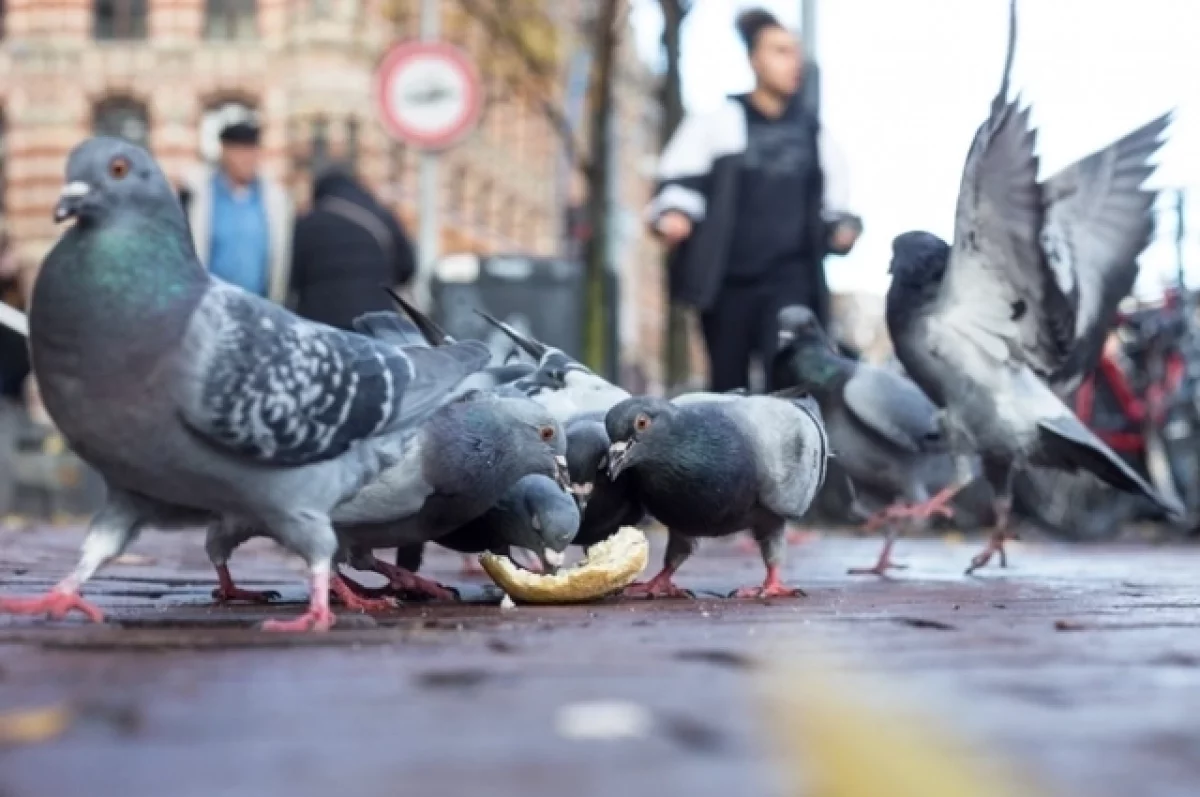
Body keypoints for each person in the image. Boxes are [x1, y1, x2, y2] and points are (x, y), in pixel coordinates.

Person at [646, 8, 861, 393]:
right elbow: (678, 184)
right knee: (728, 391)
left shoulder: (815, 135)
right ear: (754, 59)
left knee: (791, 385)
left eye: (795, 52)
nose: (793, 62)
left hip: (791, 283)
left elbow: (836, 204)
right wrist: (675, 215)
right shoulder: (718, 122)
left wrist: (842, 229)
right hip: (727, 286)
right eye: (780, 51)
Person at [290, 165, 417, 331]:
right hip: (377, 320)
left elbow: (294, 278)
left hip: (325, 322)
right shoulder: (382, 216)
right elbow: (407, 267)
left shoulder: (308, 223)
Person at [180, 119, 293, 303]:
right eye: (239, 151)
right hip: (211, 309)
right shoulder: (197, 196)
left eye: (252, 150)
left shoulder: (276, 200)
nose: (247, 158)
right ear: (224, 152)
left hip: (261, 310)